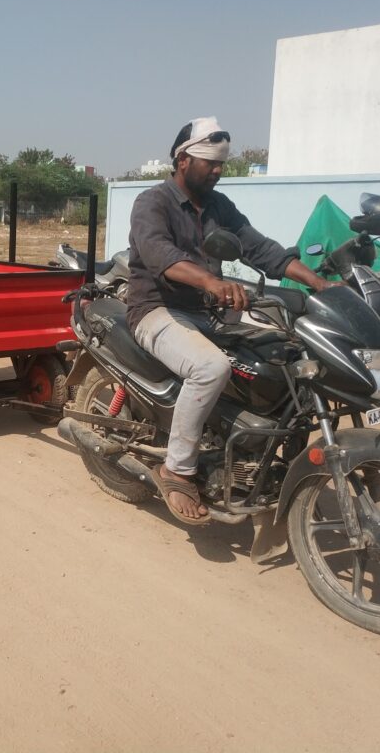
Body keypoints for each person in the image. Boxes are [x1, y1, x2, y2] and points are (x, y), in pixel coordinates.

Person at [127, 116, 338, 524]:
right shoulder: (153, 202)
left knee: (285, 353)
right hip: (156, 309)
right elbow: (159, 254)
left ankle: (253, 450)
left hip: (209, 313)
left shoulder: (219, 207)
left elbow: (259, 249)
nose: (219, 170)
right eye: (211, 163)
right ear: (184, 160)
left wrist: (318, 283)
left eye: (222, 163)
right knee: (211, 367)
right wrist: (210, 280)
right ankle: (178, 469)